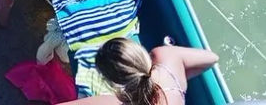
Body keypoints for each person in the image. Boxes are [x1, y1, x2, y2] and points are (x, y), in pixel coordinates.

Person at [60, 37, 219, 105]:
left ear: (114, 82)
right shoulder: (166, 56)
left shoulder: (117, 100)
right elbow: (212, 58)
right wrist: (182, 75)